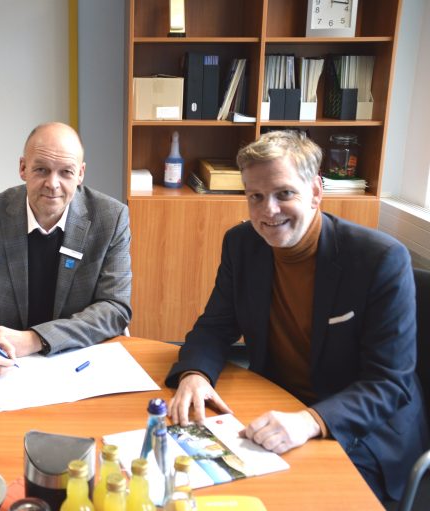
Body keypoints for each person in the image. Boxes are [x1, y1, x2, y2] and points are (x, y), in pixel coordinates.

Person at [165, 130, 427, 502]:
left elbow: (389, 383)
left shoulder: (380, 260)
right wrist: (195, 373)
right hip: (280, 406)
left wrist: (310, 421)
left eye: (284, 193)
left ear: (316, 191)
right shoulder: (242, 245)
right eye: (255, 196)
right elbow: (216, 326)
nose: (267, 211)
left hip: (363, 432)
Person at [0, 122, 131, 377]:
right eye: (41, 170)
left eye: (66, 172)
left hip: (77, 361)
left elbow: (115, 307)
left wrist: (35, 339)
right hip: (2, 364)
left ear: (81, 173)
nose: (53, 184)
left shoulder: (110, 218)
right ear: (23, 168)